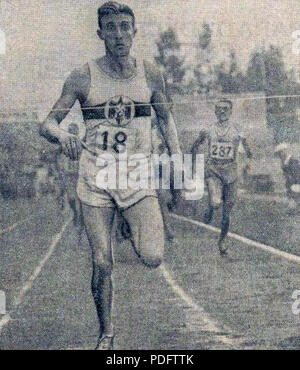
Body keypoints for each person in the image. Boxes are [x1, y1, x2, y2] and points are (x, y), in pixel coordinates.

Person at [40, 1, 181, 350]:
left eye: (125, 27)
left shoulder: (151, 73)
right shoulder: (82, 76)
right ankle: (106, 333)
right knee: (102, 261)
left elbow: (166, 118)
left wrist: (176, 159)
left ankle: (129, 222)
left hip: (136, 175)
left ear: (134, 32)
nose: (119, 34)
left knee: (152, 256)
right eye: (112, 28)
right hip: (97, 176)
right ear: (100, 33)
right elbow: (47, 123)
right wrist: (64, 136)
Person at [191, 98, 253, 256]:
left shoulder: (237, 129)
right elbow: (195, 146)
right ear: (215, 111)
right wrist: (196, 148)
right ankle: (211, 207)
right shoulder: (209, 129)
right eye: (219, 108)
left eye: (225, 108)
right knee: (216, 202)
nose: (222, 111)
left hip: (231, 174)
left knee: (227, 212)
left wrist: (247, 153)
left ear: (231, 111)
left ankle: (222, 239)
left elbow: (248, 150)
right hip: (213, 172)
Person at [57, 122, 84, 233]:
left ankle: (80, 217)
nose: (72, 133)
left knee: (81, 198)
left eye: (74, 131)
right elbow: (60, 159)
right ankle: (75, 212)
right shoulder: (64, 145)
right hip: (69, 176)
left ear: (77, 132)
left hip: (79, 175)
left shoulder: (82, 144)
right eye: (70, 130)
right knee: (71, 198)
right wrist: (62, 170)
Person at [274, 142, 300, 214]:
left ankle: (294, 208)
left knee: (294, 195)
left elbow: (296, 173)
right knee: (291, 195)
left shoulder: (292, 160)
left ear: (283, 152)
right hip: (290, 182)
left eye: (280, 153)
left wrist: (295, 183)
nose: (279, 156)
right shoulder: (285, 161)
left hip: (295, 181)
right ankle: (293, 207)